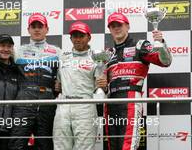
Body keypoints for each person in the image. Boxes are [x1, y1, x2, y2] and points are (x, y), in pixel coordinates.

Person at [105, 12, 172, 150]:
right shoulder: (108, 53)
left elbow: (165, 62)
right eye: (113, 26)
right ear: (109, 29)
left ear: (127, 26)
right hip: (110, 102)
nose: (116, 28)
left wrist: (161, 43)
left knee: (128, 146)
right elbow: (102, 82)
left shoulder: (140, 45)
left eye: (119, 25)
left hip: (130, 100)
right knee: (112, 146)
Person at [8, 13, 61, 150]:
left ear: (46, 29)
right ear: (28, 30)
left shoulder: (57, 52)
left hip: (47, 103)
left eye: (40, 26)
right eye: (34, 26)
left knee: (45, 145)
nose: (37, 29)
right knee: (17, 143)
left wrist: (60, 84)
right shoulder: (17, 51)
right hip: (23, 103)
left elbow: (65, 75)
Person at [53, 21, 108, 150]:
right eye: (75, 36)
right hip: (63, 106)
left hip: (85, 107)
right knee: (60, 147)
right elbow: (58, 84)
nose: (77, 39)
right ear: (70, 38)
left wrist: (102, 86)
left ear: (89, 37)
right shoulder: (63, 58)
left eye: (81, 36)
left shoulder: (97, 58)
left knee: (84, 147)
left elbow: (101, 86)